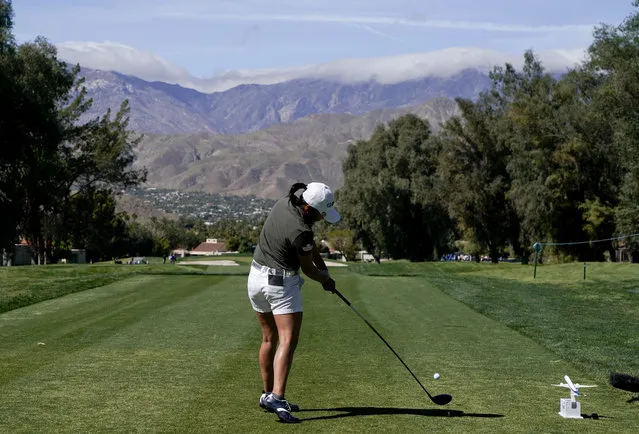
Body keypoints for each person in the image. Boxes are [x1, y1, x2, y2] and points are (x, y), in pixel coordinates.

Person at [247, 181, 340, 423]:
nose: (322, 218)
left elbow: (307, 250)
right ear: (310, 209)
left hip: (255, 279)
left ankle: (267, 395)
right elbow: (307, 268)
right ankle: (277, 397)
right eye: (321, 213)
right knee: (287, 340)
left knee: (269, 338)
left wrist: (324, 269)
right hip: (281, 284)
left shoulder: (285, 203)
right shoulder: (303, 230)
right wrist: (325, 281)